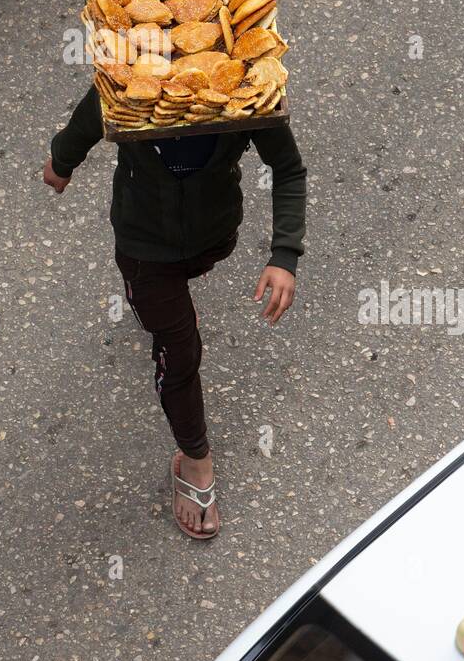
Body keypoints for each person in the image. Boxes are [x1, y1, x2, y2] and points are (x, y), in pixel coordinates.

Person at [43, 84, 307, 540]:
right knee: (181, 353)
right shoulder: (126, 86)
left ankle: (173, 317)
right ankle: (195, 461)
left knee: (179, 306)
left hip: (214, 235)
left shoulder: (241, 95)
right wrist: (62, 162)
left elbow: (287, 168)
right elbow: (88, 120)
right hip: (144, 248)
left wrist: (284, 255)